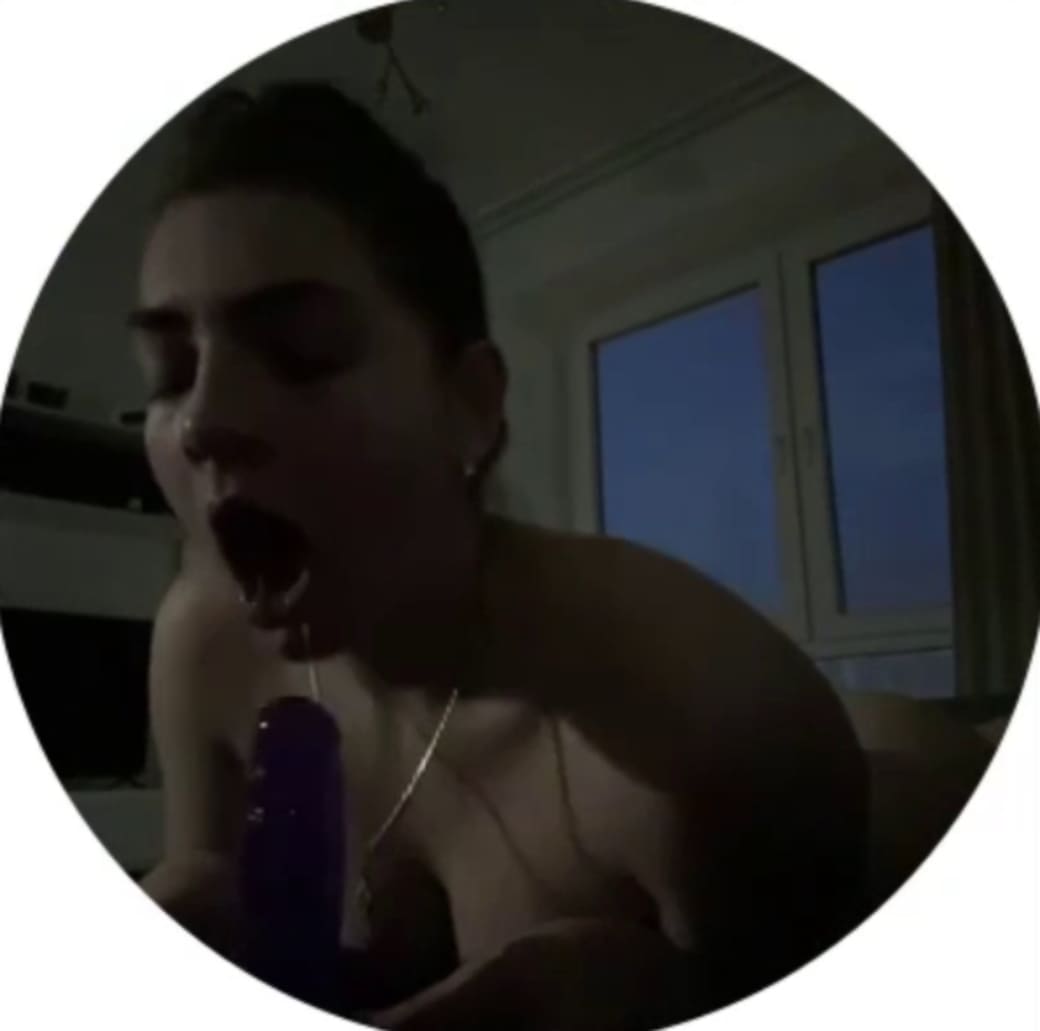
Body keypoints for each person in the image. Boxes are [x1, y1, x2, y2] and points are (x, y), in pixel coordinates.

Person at [134, 82, 870, 1028]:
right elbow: (213, 892)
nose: (200, 422)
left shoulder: (717, 727)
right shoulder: (202, 646)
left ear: (470, 407)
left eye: (302, 351)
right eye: (169, 372)